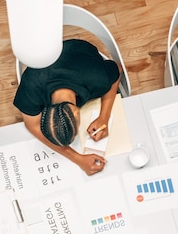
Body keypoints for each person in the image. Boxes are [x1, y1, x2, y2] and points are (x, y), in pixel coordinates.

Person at [13, 39, 121, 176]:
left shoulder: (97, 79)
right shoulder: (31, 86)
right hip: (50, 59)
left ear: (77, 113)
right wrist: (78, 158)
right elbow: (32, 125)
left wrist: (104, 117)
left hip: (81, 52)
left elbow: (117, 68)